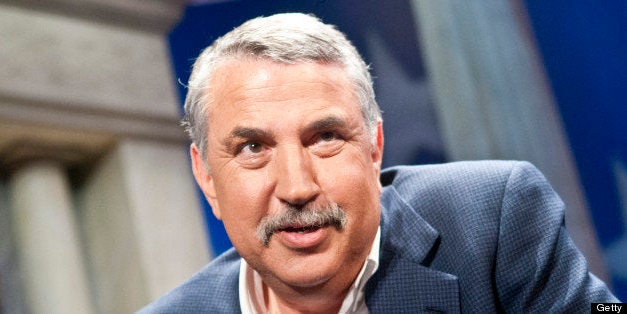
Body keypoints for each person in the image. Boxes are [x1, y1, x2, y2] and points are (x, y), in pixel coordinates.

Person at [139, 13, 618, 313]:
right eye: (252, 149)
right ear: (206, 176)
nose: (296, 186)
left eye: (324, 138)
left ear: (374, 147)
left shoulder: (494, 220)